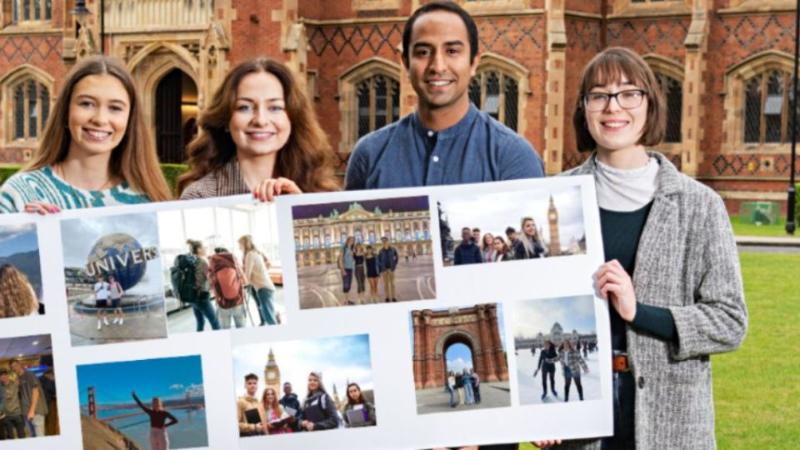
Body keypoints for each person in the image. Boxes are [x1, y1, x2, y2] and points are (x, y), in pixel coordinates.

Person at [536, 47, 747, 450]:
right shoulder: (558, 198)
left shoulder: (699, 205)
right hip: (580, 412)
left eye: (629, 93)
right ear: (584, 110)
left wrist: (640, 312)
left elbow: (730, 322)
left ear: (650, 105)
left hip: (671, 419)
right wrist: (536, 413)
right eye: (598, 95)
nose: (613, 107)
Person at [345, 1, 543, 190]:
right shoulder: (369, 154)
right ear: (405, 62)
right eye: (423, 52)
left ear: (474, 62)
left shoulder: (513, 156)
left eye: (452, 51)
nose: (437, 66)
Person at [0, 56, 171, 214]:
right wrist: (28, 229)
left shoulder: (149, 201)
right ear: (66, 110)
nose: (100, 119)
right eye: (87, 104)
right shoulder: (20, 194)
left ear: (129, 120)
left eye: (115, 108)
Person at [178, 58, 338, 200]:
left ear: (292, 119)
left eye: (275, 107)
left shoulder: (323, 195)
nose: (261, 120)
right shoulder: (200, 198)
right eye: (244, 107)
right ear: (226, 119)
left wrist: (300, 211)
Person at [238, 235, 277, 325]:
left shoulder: (249, 255)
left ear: (244, 244)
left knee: (270, 318)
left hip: (263, 288)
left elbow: (247, 276)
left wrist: (240, 284)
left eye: (240, 244)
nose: (239, 247)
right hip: (264, 287)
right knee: (268, 314)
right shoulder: (255, 253)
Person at [184, 240, 220, 331]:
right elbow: (210, 279)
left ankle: (198, 342)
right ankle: (221, 343)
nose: (206, 249)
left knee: (200, 321)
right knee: (215, 322)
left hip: (192, 296)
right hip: (201, 296)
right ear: (199, 249)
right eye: (204, 247)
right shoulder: (202, 262)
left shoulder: (191, 260)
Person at [208, 247, 248, 329]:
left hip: (222, 303)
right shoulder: (233, 260)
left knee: (225, 329)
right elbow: (244, 280)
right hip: (238, 301)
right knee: (241, 327)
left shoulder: (213, 262)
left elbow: (210, 284)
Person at [10, 360, 47, 438]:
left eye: (15, 365)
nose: (14, 368)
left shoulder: (29, 375)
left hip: (35, 411)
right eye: (12, 367)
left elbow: (36, 392)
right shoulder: (19, 378)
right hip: (26, 412)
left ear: (20, 365)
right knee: (32, 436)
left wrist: (32, 410)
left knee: (39, 436)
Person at [377, 237, 399, 302]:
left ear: (388, 241)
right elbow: (378, 260)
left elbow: (396, 257)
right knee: (386, 284)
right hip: (384, 270)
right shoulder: (380, 251)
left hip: (391, 269)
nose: (384, 242)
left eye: (385, 241)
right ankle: (387, 297)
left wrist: (394, 265)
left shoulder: (393, 249)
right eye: (383, 241)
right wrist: (382, 267)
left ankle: (393, 297)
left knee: (392, 284)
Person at [338, 237, 356, 305]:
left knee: (349, 285)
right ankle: (345, 301)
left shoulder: (352, 249)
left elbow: (353, 259)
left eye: (353, 241)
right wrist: (342, 270)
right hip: (345, 268)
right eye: (351, 240)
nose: (352, 242)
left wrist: (353, 255)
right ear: (347, 240)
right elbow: (340, 259)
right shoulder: (344, 248)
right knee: (346, 285)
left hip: (350, 268)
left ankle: (347, 300)